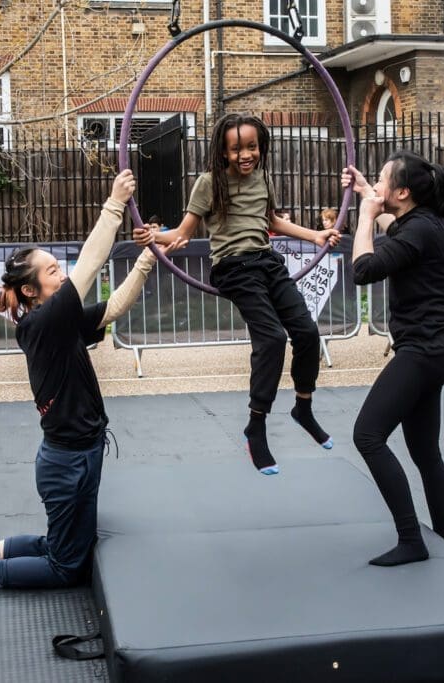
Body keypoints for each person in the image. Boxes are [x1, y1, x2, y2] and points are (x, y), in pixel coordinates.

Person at [0, 170, 185, 588]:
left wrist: (149, 258)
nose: (62, 274)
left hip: (79, 454)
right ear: (30, 290)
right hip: (67, 462)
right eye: (53, 270)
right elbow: (90, 266)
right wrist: (114, 206)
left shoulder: (60, 322)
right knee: (66, 566)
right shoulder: (40, 324)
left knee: (57, 545)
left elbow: (113, 307)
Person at [143, 113, 341, 476]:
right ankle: (257, 425)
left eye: (251, 147)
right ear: (222, 151)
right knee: (271, 339)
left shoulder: (263, 176)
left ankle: (303, 407)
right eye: (236, 149)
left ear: (261, 146)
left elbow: (271, 221)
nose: (245, 155)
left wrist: (315, 236)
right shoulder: (208, 183)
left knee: (307, 332)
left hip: (267, 261)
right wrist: (152, 236)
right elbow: (183, 233)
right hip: (233, 267)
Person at [341, 151, 444, 567]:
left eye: (382, 179)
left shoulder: (421, 230)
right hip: (437, 349)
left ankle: (412, 539)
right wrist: (366, 194)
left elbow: (364, 269)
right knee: (426, 452)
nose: (376, 183)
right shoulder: (424, 224)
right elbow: (397, 228)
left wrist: (365, 216)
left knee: (367, 435)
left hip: (423, 351)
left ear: (403, 192)